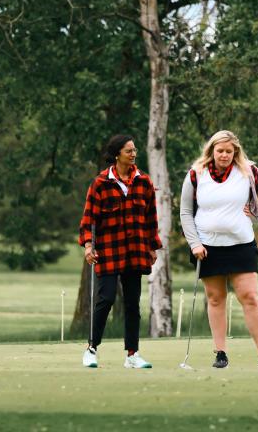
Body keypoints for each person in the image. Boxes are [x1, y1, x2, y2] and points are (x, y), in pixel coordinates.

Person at [179, 130, 258, 369]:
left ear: (235, 151)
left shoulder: (248, 171)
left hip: (241, 244)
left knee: (249, 296)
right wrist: (194, 243)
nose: (224, 155)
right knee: (215, 299)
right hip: (207, 247)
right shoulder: (196, 174)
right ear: (212, 151)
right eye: (220, 151)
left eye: (229, 151)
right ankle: (221, 353)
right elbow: (185, 212)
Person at [78, 134, 162, 369]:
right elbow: (88, 221)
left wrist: (153, 247)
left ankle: (132, 354)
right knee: (105, 299)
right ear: (117, 154)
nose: (133, 154)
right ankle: (91, 349)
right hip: (108, 250)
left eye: (135, 150)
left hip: (135, 250)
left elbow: (150, 219)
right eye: (129, 151)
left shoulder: (143, 182)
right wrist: (88, 246)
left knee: (133, 305)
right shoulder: (100, 183)